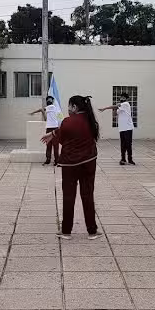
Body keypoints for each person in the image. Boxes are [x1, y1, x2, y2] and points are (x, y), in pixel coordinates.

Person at [42, 95, 102, 240]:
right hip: (89, 163)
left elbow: (62, 139)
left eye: (69, 106)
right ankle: (92, 231)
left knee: (69, 197)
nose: (68, 109)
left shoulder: (67, 122)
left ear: (74, 107)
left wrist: (53, 133)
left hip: (70, 165)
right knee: (88, 196)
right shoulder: (91, 121)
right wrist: (54, 132)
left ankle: (66, 231)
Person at [99, 93, 135, 165]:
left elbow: (115, 106)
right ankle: (123, 159)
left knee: (128, 144)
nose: (121, 98)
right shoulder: (120, 107)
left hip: (128, 128)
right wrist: (115, 108)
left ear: (126, 98)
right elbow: (115, 114)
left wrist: (105, 108)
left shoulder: (126, 104)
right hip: (122, 128)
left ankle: (130, 159)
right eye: (121, 97)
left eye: (123, 97)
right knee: (123, 144)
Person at [29, 96, 61, 166]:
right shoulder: (57, 109)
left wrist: (33, 112)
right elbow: (60, 119)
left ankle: (48, 160)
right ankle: (56, 161)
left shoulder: (49, 107)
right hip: (55, 129)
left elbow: (41, 109)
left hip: (49, 129)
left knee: (48, 145)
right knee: (55, 146)